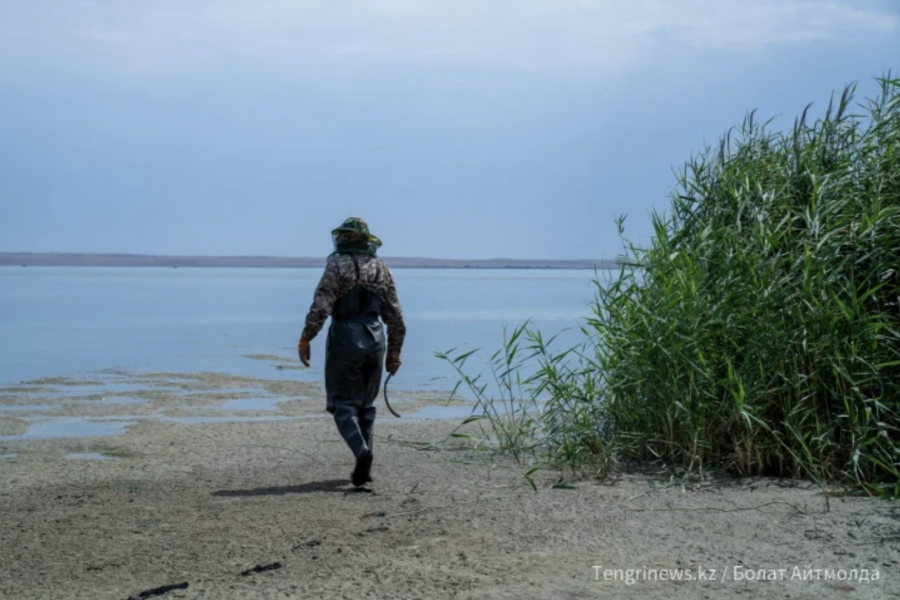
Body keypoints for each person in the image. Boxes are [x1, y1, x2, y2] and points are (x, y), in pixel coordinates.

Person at [298, 217, 406, 487]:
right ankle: (365, 469)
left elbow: (321, 304)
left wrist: (306, 337)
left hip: (345, 338)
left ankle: (362, 452)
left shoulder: (336, 264)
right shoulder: (382, 269)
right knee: (366, 407)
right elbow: (396, 317)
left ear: (344, 240)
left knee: (343, 404)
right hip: (375, 339)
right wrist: (394, 353)